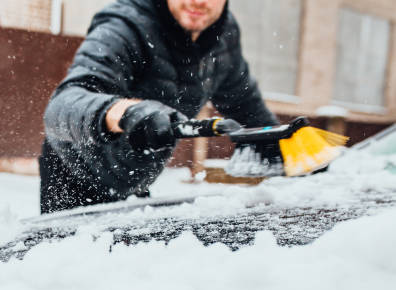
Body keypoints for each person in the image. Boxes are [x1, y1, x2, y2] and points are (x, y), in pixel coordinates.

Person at [40, 0, 278, 213]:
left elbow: (246, 106)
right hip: (77, 177)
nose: (198, 2)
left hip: (136, 177)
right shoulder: (125, 25)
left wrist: (286, 146)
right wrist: (126, 113)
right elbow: (61, 105)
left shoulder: (223, 35)